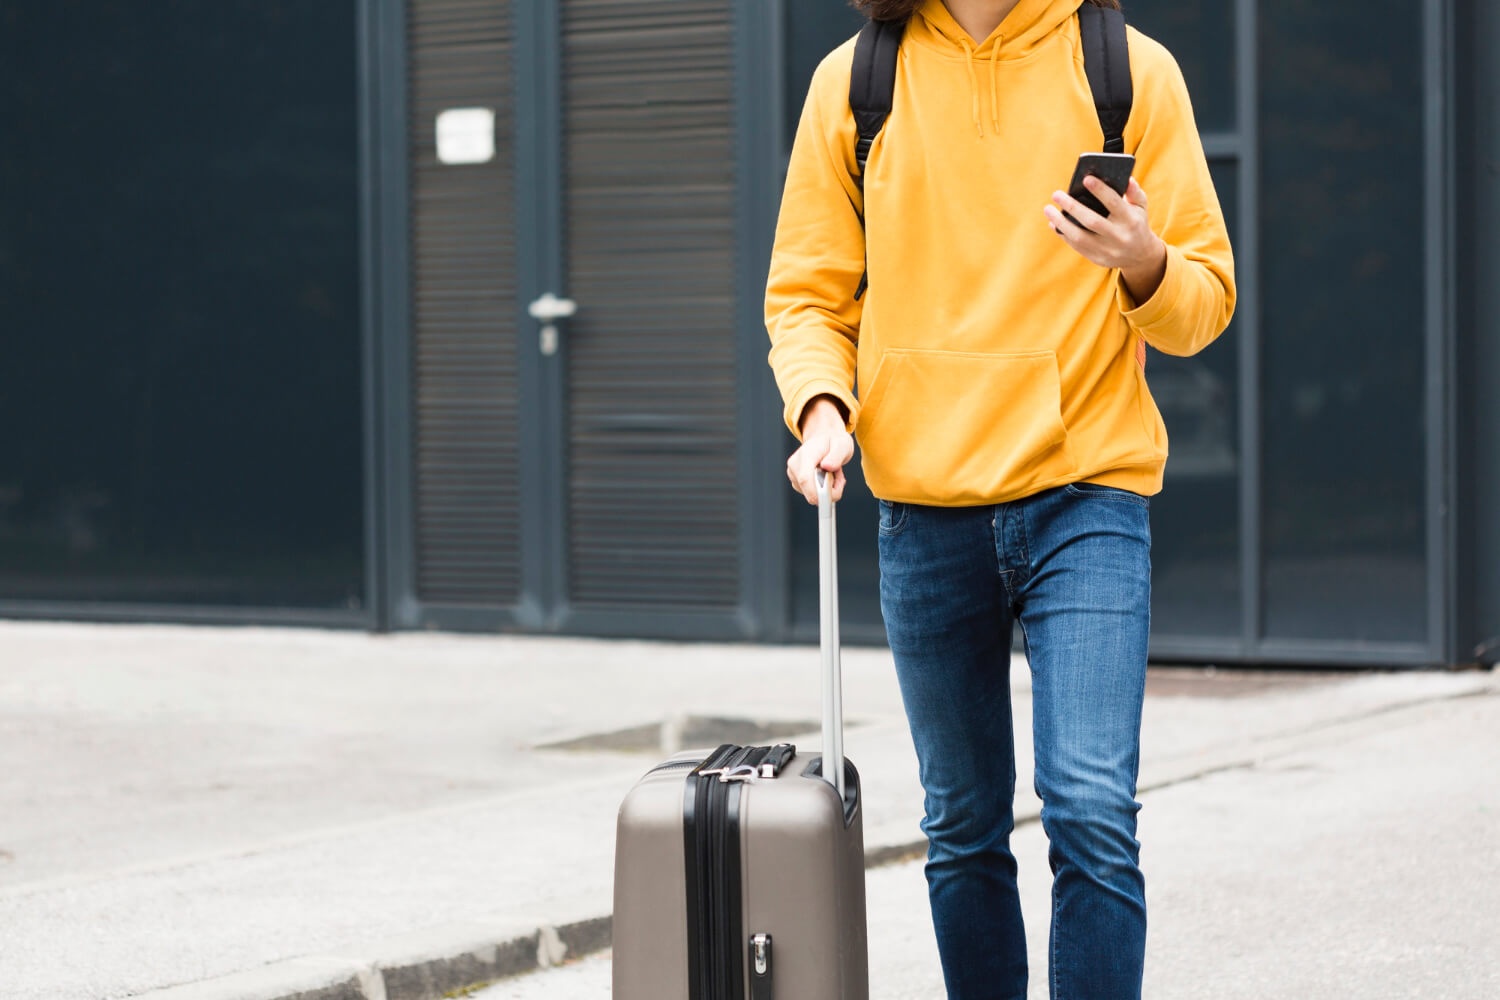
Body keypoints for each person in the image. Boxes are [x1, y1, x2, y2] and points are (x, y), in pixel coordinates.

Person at [765, 0, 1235, 997]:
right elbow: (808, 292)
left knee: (1091, 810)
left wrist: (1144, 263)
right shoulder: (856, 85)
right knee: (963, 828)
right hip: (926, 509)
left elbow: (1206, 299)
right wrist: (820, 410)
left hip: (1086, 497)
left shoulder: (1128, 72)